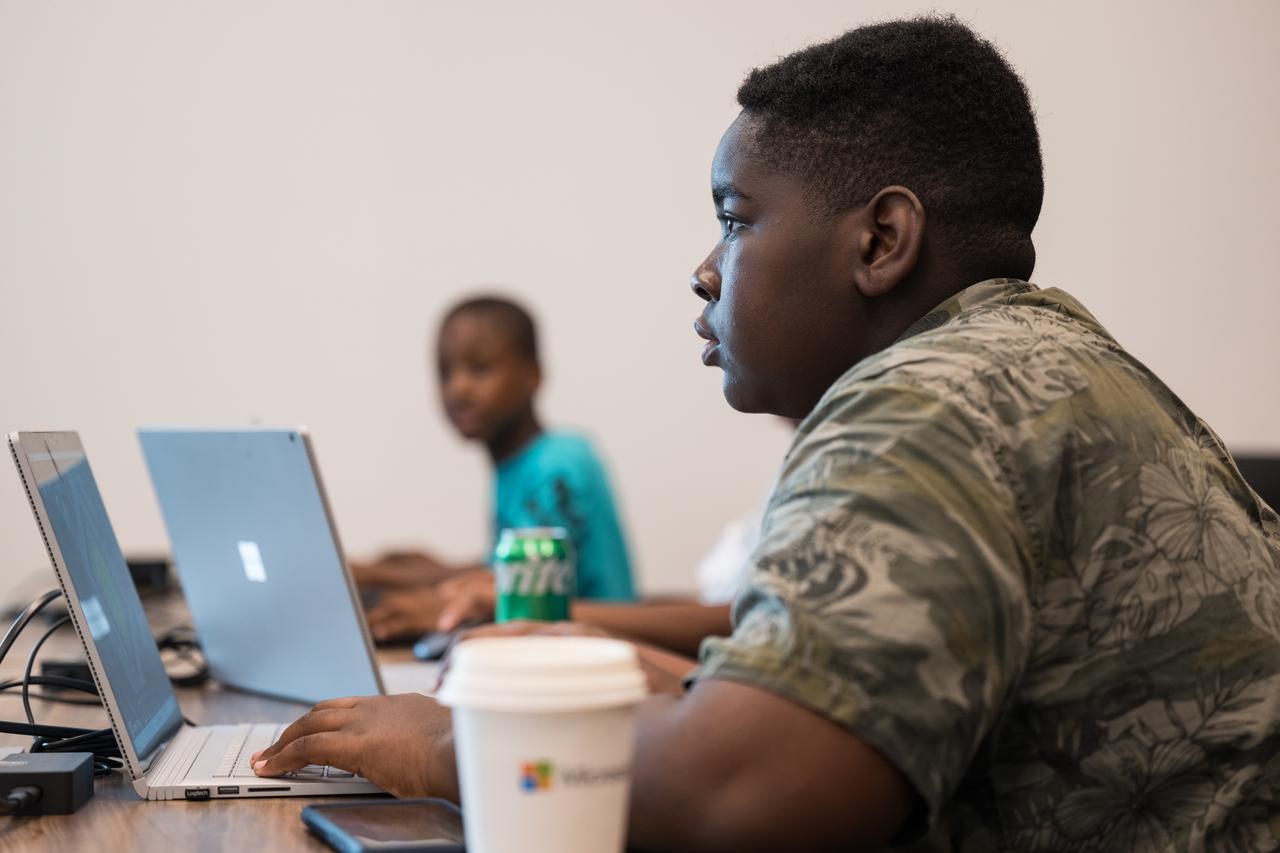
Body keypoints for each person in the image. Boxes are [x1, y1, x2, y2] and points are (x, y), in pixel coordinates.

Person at [253, 16, 1280, 850]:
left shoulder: (921, 405)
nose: (705, 268)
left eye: (735, 219)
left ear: (880, 239)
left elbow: (744, 800)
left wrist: (452, 744)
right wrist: (683, 685)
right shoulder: (1042, 360)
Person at [358, 296, 637, 641]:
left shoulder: (559, 463)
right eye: (445, 373)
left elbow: (527, 589)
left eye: (480, 368)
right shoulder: (518, 465)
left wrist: (430, 602)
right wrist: (387, 572)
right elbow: (502, 572)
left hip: (592, 652)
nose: (458, 388)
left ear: (533, 374)